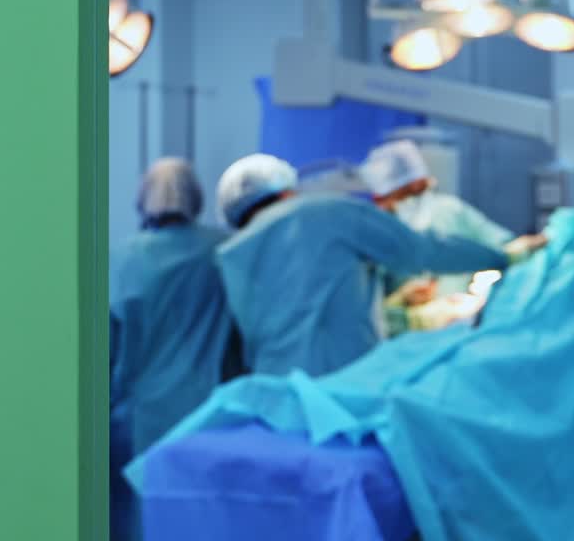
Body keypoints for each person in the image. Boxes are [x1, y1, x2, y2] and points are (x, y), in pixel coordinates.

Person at [214, 153, 545, 379]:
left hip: (274, 394)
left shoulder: (230, 255)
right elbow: (422, 250)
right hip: (343, 385)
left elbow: (311, 298)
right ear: (287, 190)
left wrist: (395, 296)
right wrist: (504, 256)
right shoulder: (327, 212)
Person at [110, 158, 235, 541]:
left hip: (133, 415)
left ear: (142, 200)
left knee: (132, 533)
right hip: (201, 412)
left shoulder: (123, 259)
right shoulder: (221, 251)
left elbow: (108, 347)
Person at [361, 139, 523, 325]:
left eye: (387, 198)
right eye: (381, 200)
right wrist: (402, 303)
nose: (385, 206)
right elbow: (370, 307)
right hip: (410, 336)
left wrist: (484, 289)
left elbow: (506, 250)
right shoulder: (382, 233)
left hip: (465, 324)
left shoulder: (450, 211)